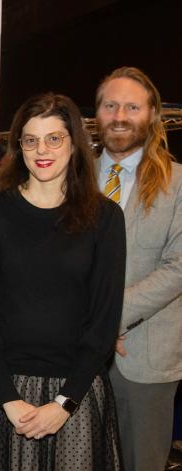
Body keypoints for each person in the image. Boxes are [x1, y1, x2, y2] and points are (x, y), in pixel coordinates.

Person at [0, 93, 125, 470]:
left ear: (74, 144)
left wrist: (64, 403)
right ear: (19, 147)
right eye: (31, 140)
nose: (41, 150)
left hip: (75, 393)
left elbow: (104, 321)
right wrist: (8, 398)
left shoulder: (106, 218)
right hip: (1, 391)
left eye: (54, 138)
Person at [96, 66, 182, 471]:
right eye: (110, 106)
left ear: (152, 114)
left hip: (144, 356)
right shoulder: (70, 176)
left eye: (132, 107)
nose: (120, 116)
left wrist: (110, 317)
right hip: (71, 355)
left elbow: (178, 267)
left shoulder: (178, 183)